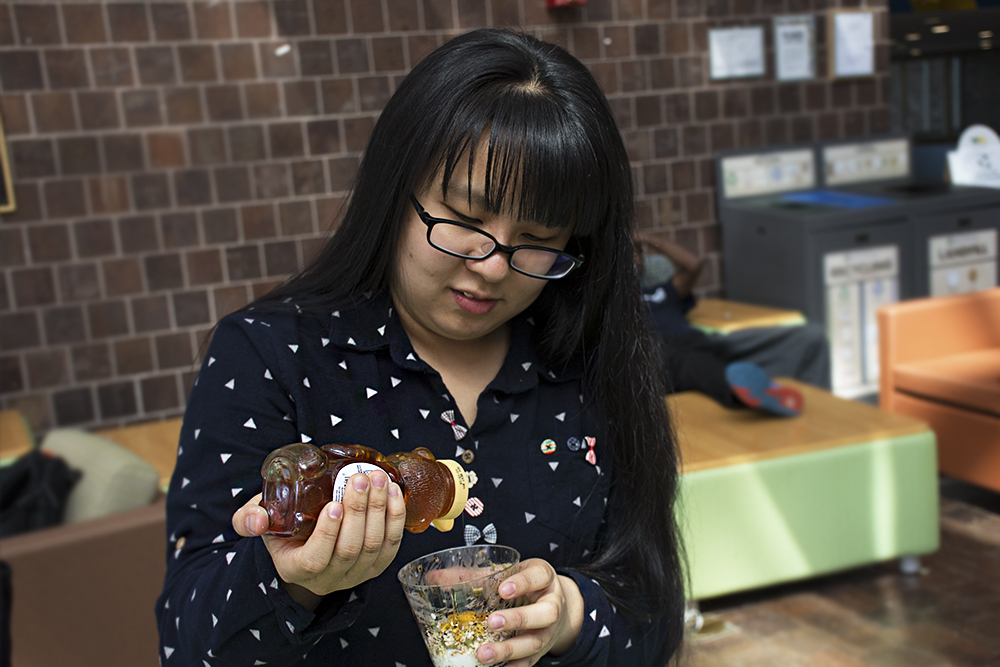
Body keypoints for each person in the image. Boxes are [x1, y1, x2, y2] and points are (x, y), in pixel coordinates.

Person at [157, 29, 685, 667]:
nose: (492, 266)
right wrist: (294, 583)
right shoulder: (272, 355)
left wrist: (570, 615)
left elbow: (654, 616)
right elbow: (187, 643)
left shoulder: (585, 360)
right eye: (463, 221)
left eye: (536, 237)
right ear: (395, 188)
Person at [635, 232, 831, 417]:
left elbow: (693, 265)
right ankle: (745, 395)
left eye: (637, 252)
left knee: (810, 337)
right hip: (659, 354)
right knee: (691, 361)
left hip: (703, 342)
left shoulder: (663, 291)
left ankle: (816, 409)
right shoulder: (615, 304)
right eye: (625, 254)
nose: (634, 259)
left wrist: (645, 237)